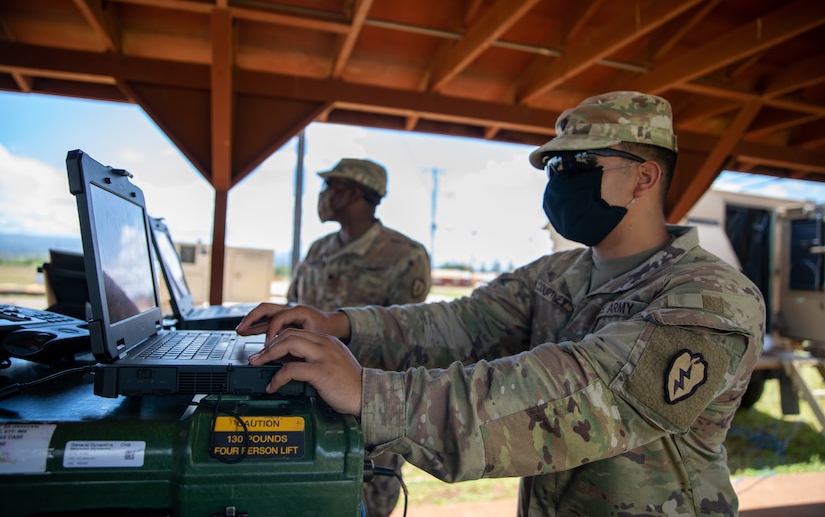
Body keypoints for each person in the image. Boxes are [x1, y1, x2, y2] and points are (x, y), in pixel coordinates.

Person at [239, 92, 765, 516]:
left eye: (580, 164)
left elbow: (582, 397)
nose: (561, 181)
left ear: (645, 177)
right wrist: (340, 325)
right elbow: (461, 322)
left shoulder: (711, 299)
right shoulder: (557, 275)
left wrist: (371, 393)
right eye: (553, 167)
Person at [287, 157, 431, 516]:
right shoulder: (318, 250)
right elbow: (294, 308)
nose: (322, 197)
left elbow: (406, 336)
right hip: (308, 406)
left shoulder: (405, 255)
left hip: (370, 412)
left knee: (372, 505)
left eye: (328, 188)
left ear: (352, 193)